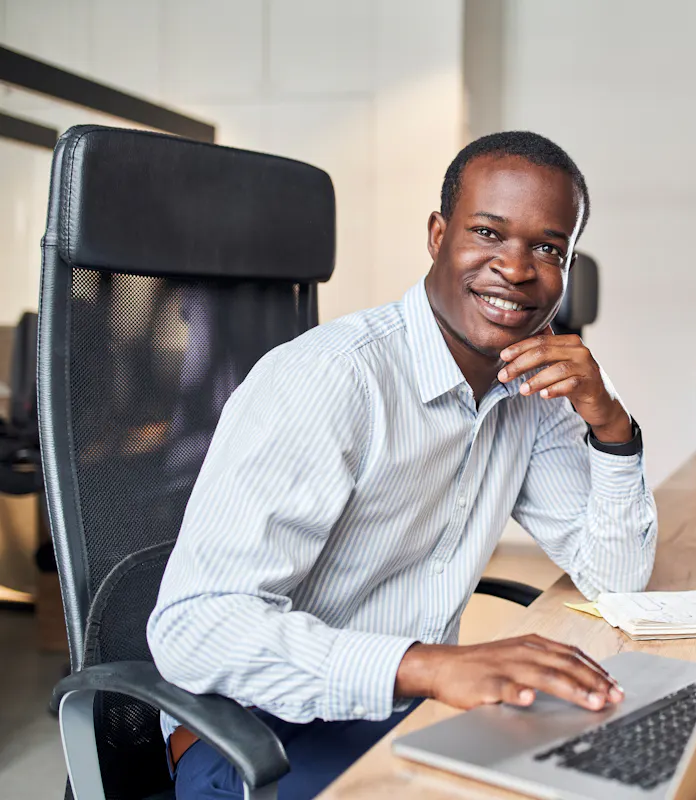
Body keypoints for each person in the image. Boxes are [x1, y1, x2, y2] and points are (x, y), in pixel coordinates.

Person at [147, 131, 657, 800]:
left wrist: (611, 425)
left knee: (611, 764)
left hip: (400, 712)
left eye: (547, 248)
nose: (516, 268)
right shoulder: (328, 381)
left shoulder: (530, 389)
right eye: (489, 233)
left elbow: (615, 577)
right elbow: (195, 629)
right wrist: (425, 666)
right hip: (255, 743)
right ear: (438, 234)